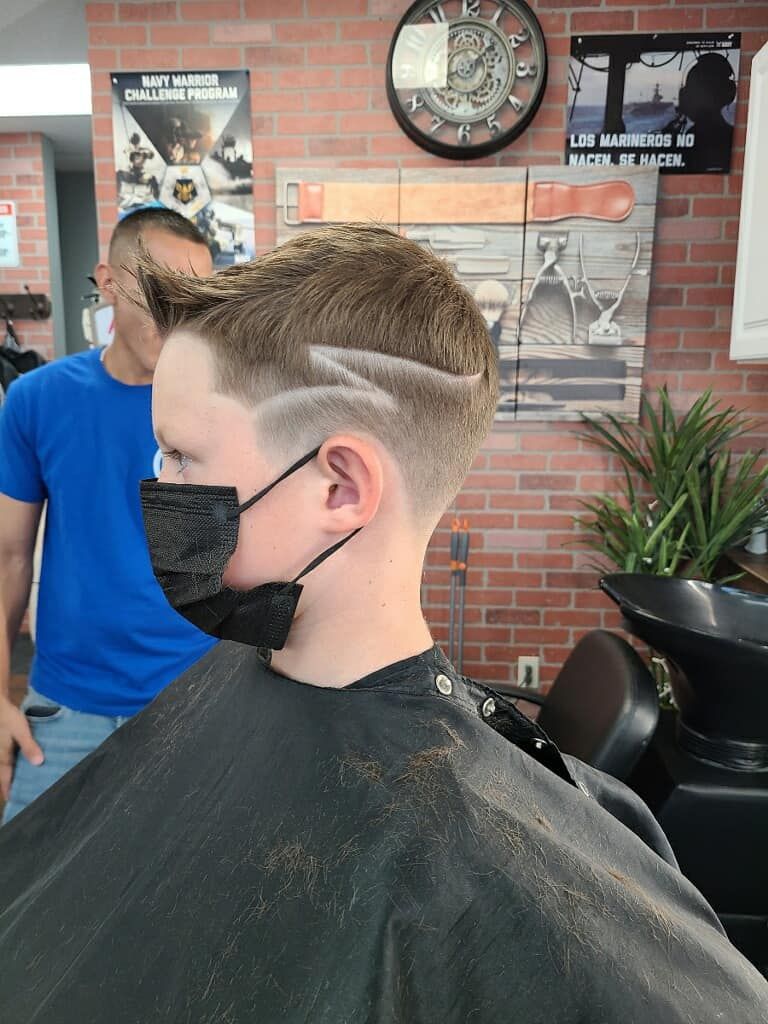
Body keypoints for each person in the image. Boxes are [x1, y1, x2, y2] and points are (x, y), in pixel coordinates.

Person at [0, 224, 766, 1022]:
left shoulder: (495, 867)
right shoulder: (232, 676)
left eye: (181, 457)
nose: (157, 482)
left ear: (340, 487)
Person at [0, 207, 217, 824]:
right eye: (160, 289)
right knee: (27, 875)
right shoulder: (38, 399)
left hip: (198, 699)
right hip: (66, 702)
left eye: (194, 296)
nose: (179, 313)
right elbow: (9, 558)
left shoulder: (222, 404)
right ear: (109, 281)